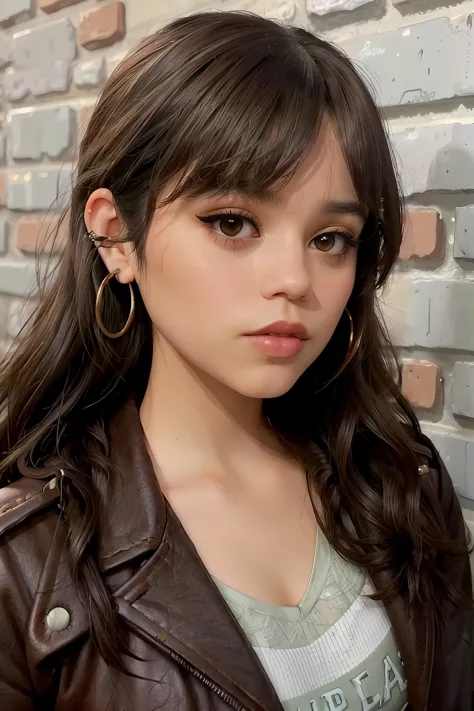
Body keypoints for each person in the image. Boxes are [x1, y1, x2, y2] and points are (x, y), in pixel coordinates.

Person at [0, 10, 471, 711]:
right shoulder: (27, 567)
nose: (294, 279)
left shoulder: (403, 481)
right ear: (115, 235)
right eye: (232, 223)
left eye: (330, 237)